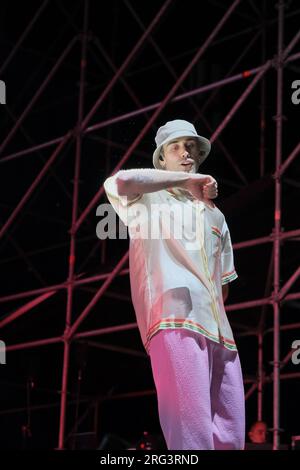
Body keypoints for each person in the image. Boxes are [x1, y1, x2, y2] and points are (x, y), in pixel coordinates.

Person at [103, 119, 245, 450]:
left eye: (192, 148)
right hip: (173, 320)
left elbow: (224, 283)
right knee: (190, 437)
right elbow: (121, 181)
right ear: (161, 159)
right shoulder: (146, 201)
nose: (187, 154)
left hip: (220, 333)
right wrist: (188, 180)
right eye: (176, 147)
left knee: (232, 437)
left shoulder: (216, 215)